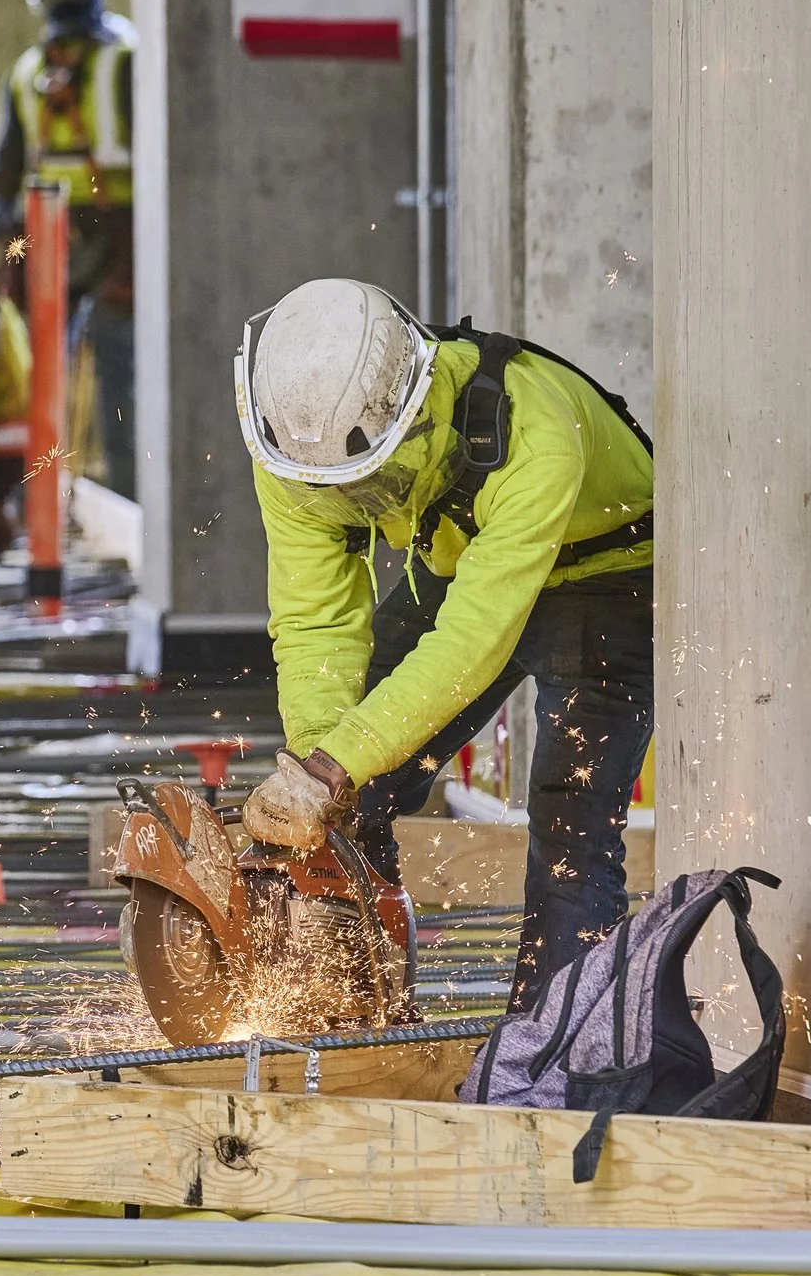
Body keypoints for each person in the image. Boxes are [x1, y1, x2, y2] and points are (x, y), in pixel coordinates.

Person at [235, 278, 655, 1008]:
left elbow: (473, 643)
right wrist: (315, 762)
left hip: (603, 577)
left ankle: (551, 1051)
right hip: (461, 557)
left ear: (419, 411)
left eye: (372, 483)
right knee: (350, 798)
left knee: (570, 834)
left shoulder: (535, 435)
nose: (358, 506)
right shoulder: (291, 445)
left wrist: (337, 764)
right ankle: (356, 997)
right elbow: (315, 621)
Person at [0, 0, 138, 498]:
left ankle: (39, 505)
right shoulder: (123, 60)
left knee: (45, 379)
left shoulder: (29, 71)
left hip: (58, 234)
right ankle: (115, 503)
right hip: (114, 233)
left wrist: (8, 242)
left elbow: (0, 173)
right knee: (117, 385)